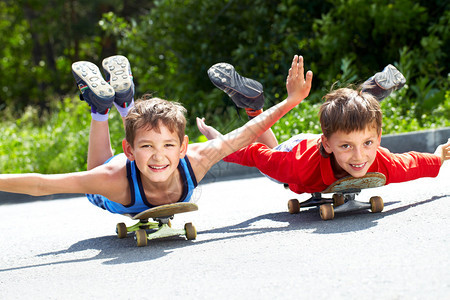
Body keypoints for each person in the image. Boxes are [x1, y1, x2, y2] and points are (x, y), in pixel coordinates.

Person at [0, 54, 313, 214]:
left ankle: (114, 105)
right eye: (147, 146)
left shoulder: (197, 158)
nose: (159, 155)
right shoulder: (112, 178)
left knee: (140, 128)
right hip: (116, 181)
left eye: (168, 145)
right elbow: (43, 184)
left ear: (183, 147)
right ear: (130, 151)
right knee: (92, 181)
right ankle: (104, 110)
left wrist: (291, 100)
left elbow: (247, 133)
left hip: (141, 161)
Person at [197, 62, 449, 194]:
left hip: (335, 133)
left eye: (368, 144)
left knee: (355, 122)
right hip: (297, 151)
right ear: (327, 144)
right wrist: (217, 146)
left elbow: (414, 163)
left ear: (379, 138)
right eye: (348, 147)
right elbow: (256, 154)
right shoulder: (298, 167)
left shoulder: (380, 161)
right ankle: (253, 108)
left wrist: (439, 156)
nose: (360, 157)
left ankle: (365, 98)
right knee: (273, 167)